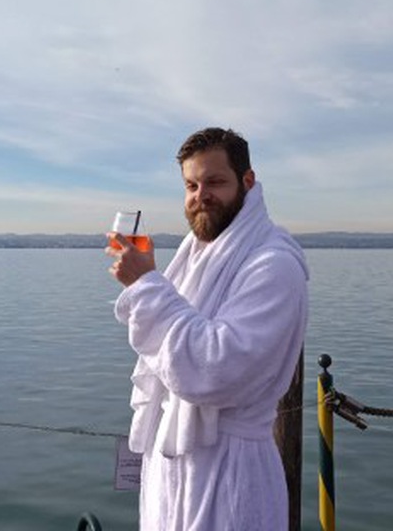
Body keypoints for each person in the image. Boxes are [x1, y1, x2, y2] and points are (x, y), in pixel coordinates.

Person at [106, 127, 309, 530]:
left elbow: (216, 370)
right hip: (173, 473)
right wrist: (151, 283)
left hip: (231, 476)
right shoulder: (198, 254)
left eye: (215, 182)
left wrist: (146, 286)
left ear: (247, 181)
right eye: (191, 185)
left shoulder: (274, 265)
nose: (201, 195)